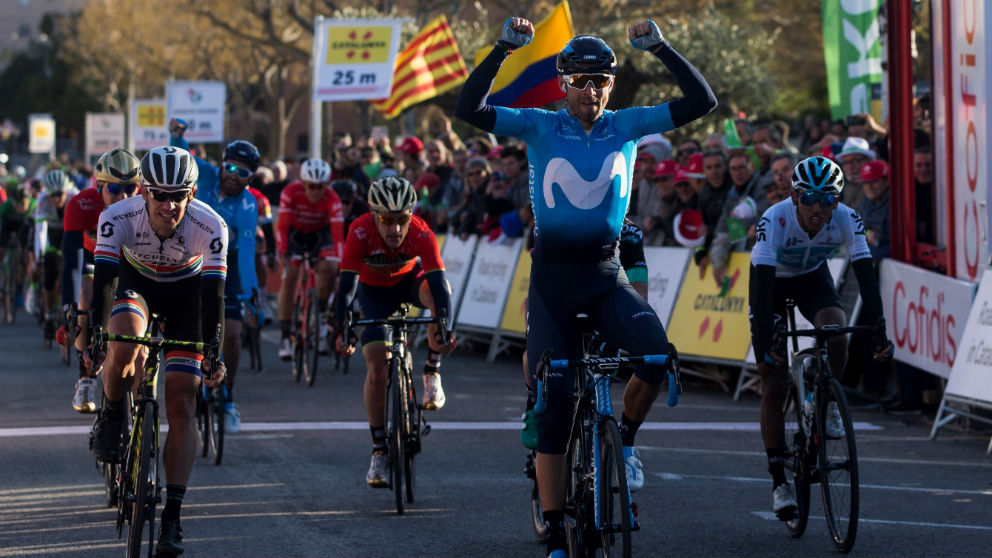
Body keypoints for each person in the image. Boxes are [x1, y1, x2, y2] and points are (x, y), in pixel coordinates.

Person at [456, 17, 715, 558]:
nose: (590, 90)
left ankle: (626, 439)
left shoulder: (628, 126)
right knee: (554, 409)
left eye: (600, 80)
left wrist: (662, 48)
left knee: (654, 356)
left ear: (611, 85)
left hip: (604, 274)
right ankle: (553, 529)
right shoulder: (539, 126)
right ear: (563, 84)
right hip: (554, 282)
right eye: (579, 80)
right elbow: (470, 110)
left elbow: (701, 101)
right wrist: (503, 47)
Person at [85, 146, 228, 558]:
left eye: (178, 195)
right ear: (143, 191)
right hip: (137, 286)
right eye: (159, 195)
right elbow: (105, 283)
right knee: (124, 338)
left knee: (182, 399)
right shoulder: (117, 217)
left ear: (192, 192)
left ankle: (173, 516)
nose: (168, 205)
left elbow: (214, 294)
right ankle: (112, 414)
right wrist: (97, 336)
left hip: (188, 295)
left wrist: (214, 352)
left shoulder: (210, 224)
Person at [748, 155, 893, 521]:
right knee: (773, 378)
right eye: (809, 197)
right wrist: (767, 339)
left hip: (813, 276)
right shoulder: (775, 219)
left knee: (837, 332)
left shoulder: (846, 219)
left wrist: (879, 328)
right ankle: (779, 480)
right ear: (795, 196)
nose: (818, 207)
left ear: (838, 201)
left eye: (828, 199)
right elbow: (763, 288)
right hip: (771, 282)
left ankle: (822, 399)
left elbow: (865, 274)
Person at [332, 176, 457, 487]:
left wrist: (445, 326)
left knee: (437, 297)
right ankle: (379, 450)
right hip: (373, 295)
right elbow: (346, 288)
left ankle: (431, 372)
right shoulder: (359, 230)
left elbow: (440, 286)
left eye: (402, 219)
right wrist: (343, 328)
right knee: (376, 368)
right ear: (375, 215)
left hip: (408, 284)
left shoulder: (421, 231)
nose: (396, 229)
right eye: (387, 220)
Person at [170, 121, 260, 433]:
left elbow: (247, 252)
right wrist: (177, 137)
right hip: (189, 253)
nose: (233, 176)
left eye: (243, 173)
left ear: (251, 179)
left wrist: (251, 294)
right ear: (220, 164)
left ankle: (229, 395)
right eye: (230, 168)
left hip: (227, 260)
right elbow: (181, 158)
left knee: (232, 334)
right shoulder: (205, 173)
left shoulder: (249, 205)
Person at [61, 148, 140, 413]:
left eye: (131, 188)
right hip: (92, 259)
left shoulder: (145, 204)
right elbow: (71, 263)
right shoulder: (79, 205)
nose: (124, 196)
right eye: (115, 189)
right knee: (86, 290)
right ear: (99, 186)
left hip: (129, 262)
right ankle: (86, 376)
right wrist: (67, 309)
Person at [276, 158, 345, 360]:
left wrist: (340, 262)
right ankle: (285, 336)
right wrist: (284, 251)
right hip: (295, 235)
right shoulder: (290, 192)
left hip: (320, 235)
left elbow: (338, 237)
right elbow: (282, 228)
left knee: (330, 268)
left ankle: (321, 315)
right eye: (311, 187)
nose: (316, 192)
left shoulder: (333, 199)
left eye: (320, 187)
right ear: (303, 184)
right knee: (291, 275)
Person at [34, 168, 79, 341]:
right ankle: (50, 314)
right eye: (52, 195)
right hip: (52, 235)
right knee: (50, 274)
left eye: (60, 194)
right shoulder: (42, 200)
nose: (56, 199)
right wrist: (40, 254)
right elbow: (40, 230)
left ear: (66, 190)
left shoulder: (75, 196)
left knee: (76, 267)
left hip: (70, 232)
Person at [0, 184, 35, 323]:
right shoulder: (7, 206)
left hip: (24, 227)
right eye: (17, 204)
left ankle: (19, 287)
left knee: (25, 256)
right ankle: (3, 273)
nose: (20, 207)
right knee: (2, 249)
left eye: (23, 204)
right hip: (9, 225)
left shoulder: (33, 205)